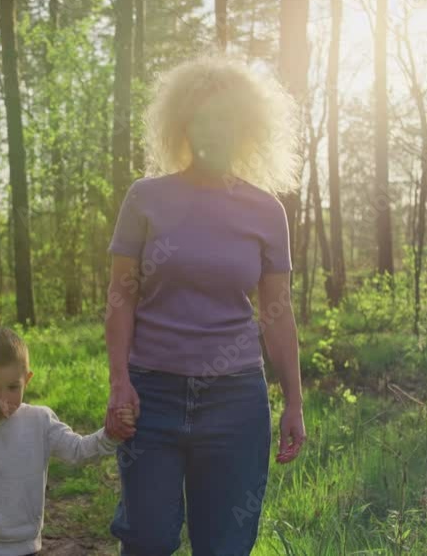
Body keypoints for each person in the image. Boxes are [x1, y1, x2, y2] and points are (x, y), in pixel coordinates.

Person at [104, 56, 308, 556]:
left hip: (236, 402)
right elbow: (120, 296)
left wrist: (294, 403)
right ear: (182, 124)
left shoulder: (266, 211)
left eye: (225, 119)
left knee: (225, 546)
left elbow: (277, 313)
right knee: (147, 541)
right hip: (151, 394)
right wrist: (119, 381)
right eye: (201, 118)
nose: (213, 130)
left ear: (245, 127)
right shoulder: (145, 198)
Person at [0, 327, 135, 556]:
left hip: (23, 546)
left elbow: (78, 450)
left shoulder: (40, 421)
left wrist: (110, 435)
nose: (2, 397)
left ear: (27, 380)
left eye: (13, 387)